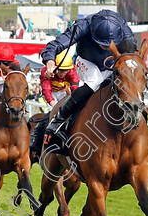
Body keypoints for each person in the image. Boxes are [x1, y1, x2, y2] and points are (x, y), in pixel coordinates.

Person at [40, 9, 138, 145]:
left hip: (111, 63)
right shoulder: (84, 25)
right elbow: (56, 45)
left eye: (110, 43)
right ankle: (58, 120)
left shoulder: (122, 27)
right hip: (86, 61)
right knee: (95, 81)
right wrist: (50, 61)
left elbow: (133, 51)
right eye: (103, 44)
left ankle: (135, 114)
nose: (107, 47)